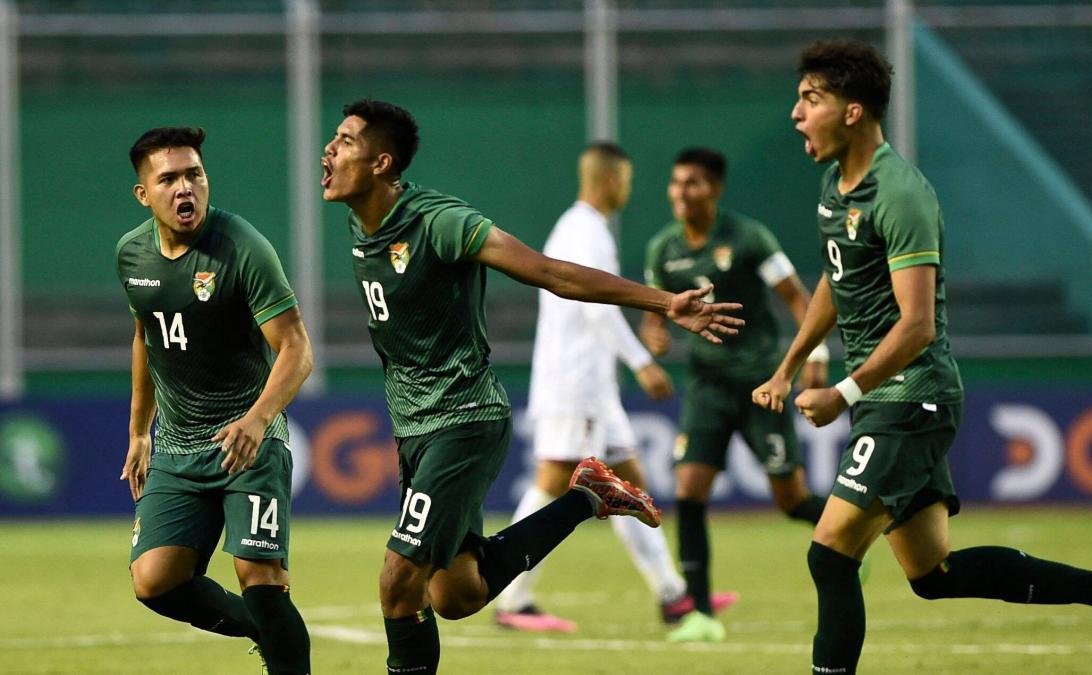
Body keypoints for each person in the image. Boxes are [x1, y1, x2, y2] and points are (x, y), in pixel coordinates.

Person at [752, 39, 1092, 673]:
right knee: (933, 573)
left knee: (830, 552)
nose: (795, 113)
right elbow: (835, 279)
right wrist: (790, 364)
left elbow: (918, 325)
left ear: (853, 111)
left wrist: (844, 391)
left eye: (810, 99)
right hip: (887, 400)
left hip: (911, 396)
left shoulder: (900, 193)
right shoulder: (834, 187)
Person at [319, 99, 744, 674]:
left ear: (380, 163)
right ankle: (586, 497)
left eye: (345, 140)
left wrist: (666, 303)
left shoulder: (440, 222)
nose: (329, 148)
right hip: (413, 429)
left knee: (399, 582)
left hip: (462, 418)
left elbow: (554, 273)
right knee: (458, 593)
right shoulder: (361, 219)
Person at [494, 142, 715, 633]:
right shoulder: (585, 231)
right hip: (574, 383)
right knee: (553, 482)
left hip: (594, 387)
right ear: (613, 179)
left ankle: (673, 595)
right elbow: (596, 305)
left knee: (628, 487)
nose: (630, 190)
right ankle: (512, 598)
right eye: (629, 180)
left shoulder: (583, 228)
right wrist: (641, 361)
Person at [117, 127, 314, 675]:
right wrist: (139, 431)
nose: (185, 189)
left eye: (194, 175)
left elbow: (297, 349)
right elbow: (146, 338)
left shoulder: (242, 247)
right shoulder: (131, 255)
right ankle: (270, 635)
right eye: (169, 179)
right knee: (154, 581)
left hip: (246, 445)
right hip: (179, 448)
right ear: (144, 194)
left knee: (260, 578)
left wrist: (257, 419)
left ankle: (274, 632)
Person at [640, 147, 829, 643]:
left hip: (761, 382)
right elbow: (653, 313)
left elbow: (796, 297)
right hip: (706, 385)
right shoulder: (663, 249)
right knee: (688, 491)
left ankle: (851, 535)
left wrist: (816, 357)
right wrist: (654, 336)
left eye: (694, 183)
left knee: (790, 499)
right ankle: (700, 614)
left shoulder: (749, 239)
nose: (682, 192)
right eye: (677, 182)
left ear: (716, 189)